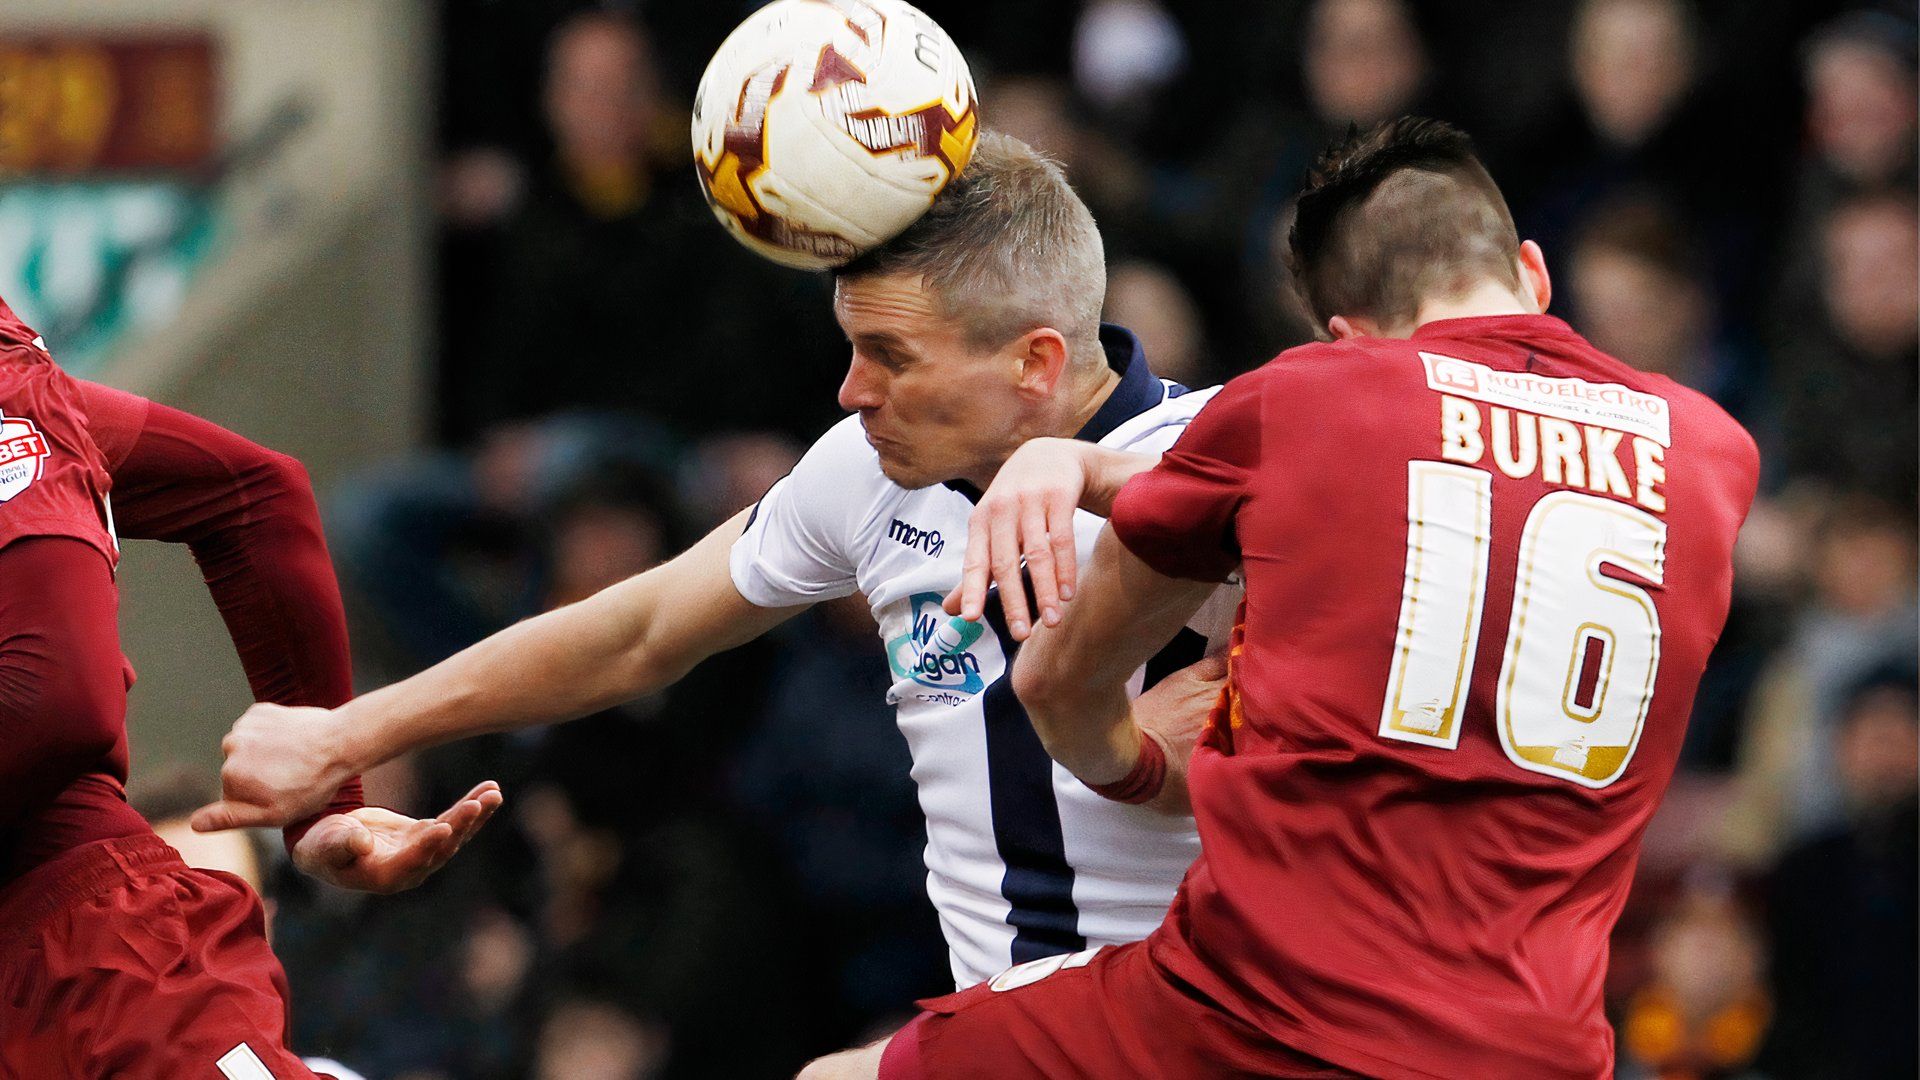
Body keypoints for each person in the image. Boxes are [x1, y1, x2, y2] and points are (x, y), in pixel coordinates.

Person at [196, 133, 1234, 992]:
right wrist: (350, 732)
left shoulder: (1229, 472)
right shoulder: (869, 472)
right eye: (849, 347)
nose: (849, 393)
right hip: (998, 1021)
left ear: (1034, 366)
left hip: (1203, 1019)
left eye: (892, 357)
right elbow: (637, 630)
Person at [837, 117, 1758, 1079]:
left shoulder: (1306, 400)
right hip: (1542, 1050)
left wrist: (1137, 766)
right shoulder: (1712, 457)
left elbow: (1058, 683)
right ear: (1534, 273)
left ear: (1346, 337)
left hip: (1258, 1026)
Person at [0, 297, 502, 1077]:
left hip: (80, 970)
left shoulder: (10, 389)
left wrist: (328, 792)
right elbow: (251, 493)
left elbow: (57, 701)